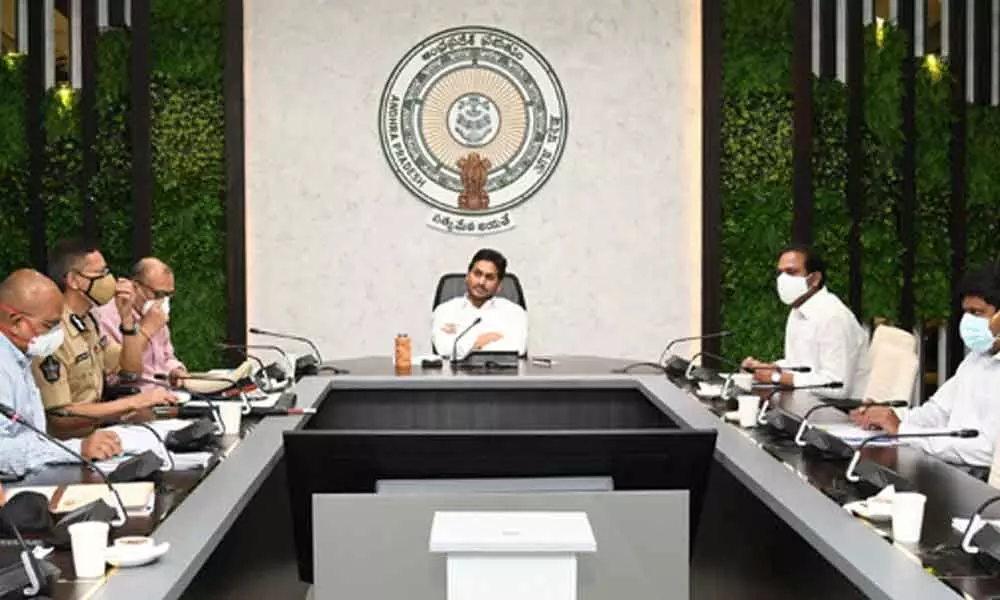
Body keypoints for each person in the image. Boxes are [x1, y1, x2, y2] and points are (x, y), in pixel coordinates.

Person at [851, 262, 1000, 467]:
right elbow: (936, 412)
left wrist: (903, 431)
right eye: (966, 312)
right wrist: (887, 417)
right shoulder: (976, 359)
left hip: (981, 483)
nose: (967, 322)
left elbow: (987, 451)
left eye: (977, 313)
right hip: (951, 468)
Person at [32, 239, 175, 438]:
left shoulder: (89, 321)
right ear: (73, 280)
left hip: (98, 435)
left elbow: (130, 371)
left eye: (107, 272)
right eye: (100, 274)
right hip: (67, 446)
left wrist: (127, 320)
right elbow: (60, 417)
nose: (110, 280)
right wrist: (132, 404)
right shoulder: (51, 333)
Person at [0, 269, 124, 477]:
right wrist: (77, 450)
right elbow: (3, 451)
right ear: (15, 321)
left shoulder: (19, 356)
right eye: (48, 325)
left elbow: (32, 438)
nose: (56, 334)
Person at [741, 244, 870, 399]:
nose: (783, 279)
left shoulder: (833, 316)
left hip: (838, 413)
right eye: (779, 273)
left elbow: (837, 386)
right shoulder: (797, 310)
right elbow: (800, 366)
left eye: (791, 272)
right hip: (803, 405)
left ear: (815, 279)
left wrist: (776, 377)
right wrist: (768, 368)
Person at [94, 257, 188, 388]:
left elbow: (167, 357)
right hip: (133, 398)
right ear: (136, 286)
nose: (163, 301)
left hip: (166, 394)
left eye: (169, 295)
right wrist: (147, 329)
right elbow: (120, 373)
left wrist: (176, 371)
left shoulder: (157, 314)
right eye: (159, 294)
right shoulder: (107, 317)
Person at [432, 249, 527, 359]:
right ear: (467, 276)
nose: (481, 282)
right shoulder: (445, 310)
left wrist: (464, 345)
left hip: (500, 375)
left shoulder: (515, 312)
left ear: (499, 286)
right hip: (456, 375)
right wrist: (478, 341)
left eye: (489, 277)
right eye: (477, 274)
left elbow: (517, 349)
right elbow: (443, 348)